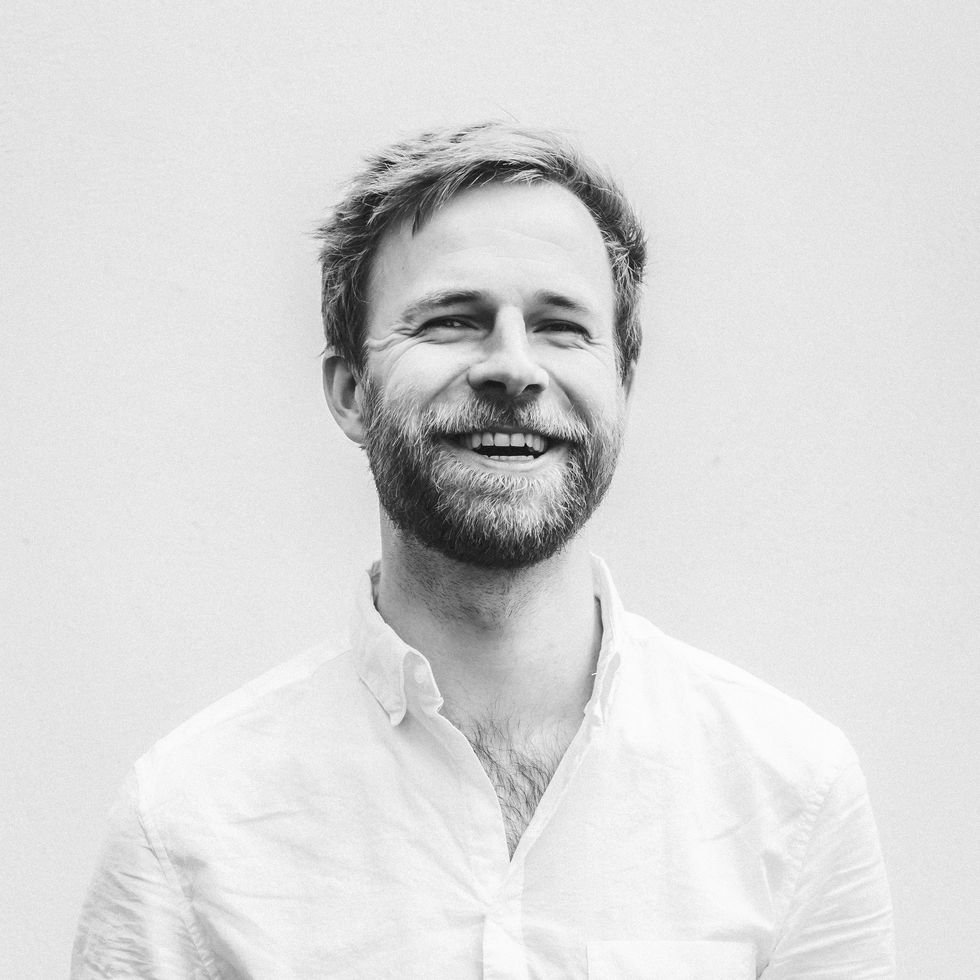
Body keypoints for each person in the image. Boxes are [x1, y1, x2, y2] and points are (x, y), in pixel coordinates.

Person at [72, 122, 895, 978]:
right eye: (452, 322)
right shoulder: (188, 827)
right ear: (351, 393)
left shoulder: (792, 798)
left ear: (621, 384)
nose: (512, 367)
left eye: (561, 327)